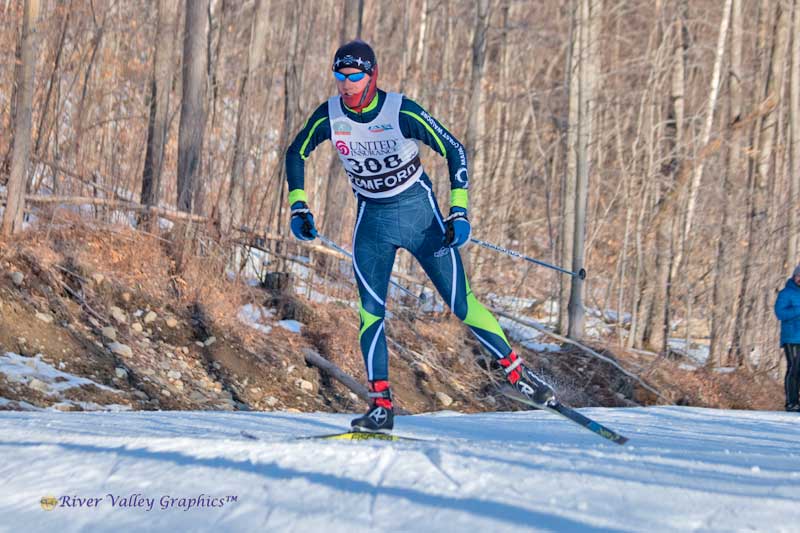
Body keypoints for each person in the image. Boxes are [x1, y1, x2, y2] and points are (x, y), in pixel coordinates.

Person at [284, 40, 554, 432]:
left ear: (372, 75)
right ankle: (381, 406)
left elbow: (454, 149)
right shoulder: (330, 114)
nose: (346, 84)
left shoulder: (401, 111)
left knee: (461, 303)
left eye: (355, 76)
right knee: (370, 313)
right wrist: (299, 205)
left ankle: (519, 375)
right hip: (372, 224)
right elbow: (295, 152)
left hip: (420, 217)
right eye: (340, 76)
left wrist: (458, 210)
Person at [774, 264, 800, 412]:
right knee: (794, 368)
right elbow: (780, 313)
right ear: (794, 276)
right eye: (799, 276)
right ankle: (791, 402)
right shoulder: (786, 293)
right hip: (792, 337)